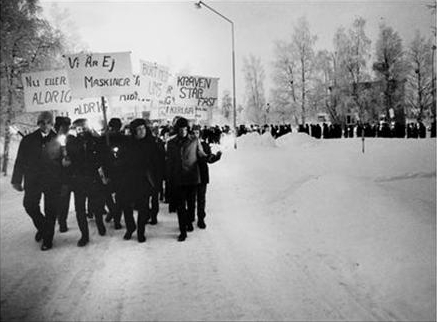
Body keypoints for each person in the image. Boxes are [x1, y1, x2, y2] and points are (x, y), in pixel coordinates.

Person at [11, 111, 63, 251]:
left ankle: (48, 239)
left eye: (48, 122)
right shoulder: (28, 139)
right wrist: (17, 180)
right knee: (29, 205)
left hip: (53, 180)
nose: (45, 125)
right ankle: (44, 227)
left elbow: (63, 161)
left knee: (50, 210)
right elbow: (20, 161)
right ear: (38, 123)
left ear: (52, 124)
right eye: (42, 122)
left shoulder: (59, 139)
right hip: (33, 180)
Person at [66, 118, 107, 247]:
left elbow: (102, 156)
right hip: (78, 180)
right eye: (79, 128)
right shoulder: (71, 142)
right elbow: (69, 158)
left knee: (97, 204)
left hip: (93, 178)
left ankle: (100, 223)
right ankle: (84, 234)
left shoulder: (95, 140)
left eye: (84, 127)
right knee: (80, 209)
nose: (82, 131)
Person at [166, 117, 206, 242]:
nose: (183, 131)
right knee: (180, 206)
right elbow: (169, 162)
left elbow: (201, 154)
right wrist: (168, 177)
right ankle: (182, 230)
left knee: (191, 204)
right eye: (180, 129)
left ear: (187, 129)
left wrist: (210, 157)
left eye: (185, 128)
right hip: (178, 179)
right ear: (177, 129)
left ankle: (189, 221)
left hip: (192, 178)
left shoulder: (194, 140)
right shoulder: (171, 143)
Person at [122, 118, 159, 243]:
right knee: (127, 206)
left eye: (143, 128)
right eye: (138, 129)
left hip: (144, 180)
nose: (141, 131)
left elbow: (157, 162)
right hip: (128, 179)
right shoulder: (127, 143)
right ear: (133, 131)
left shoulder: (152, 143)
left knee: (143, 207)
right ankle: (130, 227)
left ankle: (140, 231)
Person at [192, 125, 221, 229]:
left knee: (201, 198)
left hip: (202, 175)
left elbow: (209, 158)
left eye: (197, 132)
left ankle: (201, 219)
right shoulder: (188, 145)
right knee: (191, 199)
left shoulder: (204, 145)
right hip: (191, 175)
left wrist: (216, 157)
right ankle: (191, 217)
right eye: (194, 132)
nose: (195, 134)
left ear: (200, 133)